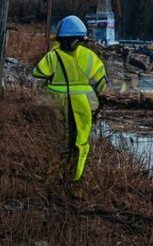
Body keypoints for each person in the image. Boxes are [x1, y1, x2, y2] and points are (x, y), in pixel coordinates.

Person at [32, 15, 108, 182]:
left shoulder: (53, 56)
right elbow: (102, 83)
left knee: (58, 140)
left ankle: (54, 175)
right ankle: (76, 177)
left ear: (61, 39)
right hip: (84, 102)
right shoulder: (89, 56)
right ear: (81, 38)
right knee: (81, 140)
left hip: (56, 102)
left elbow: (37, 72)